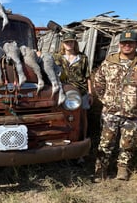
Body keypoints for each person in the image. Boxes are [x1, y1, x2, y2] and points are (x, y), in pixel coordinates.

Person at [93, 29, 137, 182]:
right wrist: (105, 100)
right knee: (105, 143)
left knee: (128, 144)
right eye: (124, 43)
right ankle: (100, 170)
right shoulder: (109, 62)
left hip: (133, 113)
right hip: (110, 112)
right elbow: (98, 82)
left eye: (130, 43)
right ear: (119, 45)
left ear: (135, 45)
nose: (127, 45)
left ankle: (122, 169)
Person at [53, 32, 93, 135]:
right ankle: (65, 136)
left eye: (71, 42)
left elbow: (87, 76)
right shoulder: (56, 57)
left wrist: (90, 93)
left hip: (81, 91)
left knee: (82, 116)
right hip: (63, 92)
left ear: (75, 43)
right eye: (67, 42)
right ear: (63, 44)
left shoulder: (82, 58)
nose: (69, 44)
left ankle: (83, 136)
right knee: (64, 115)